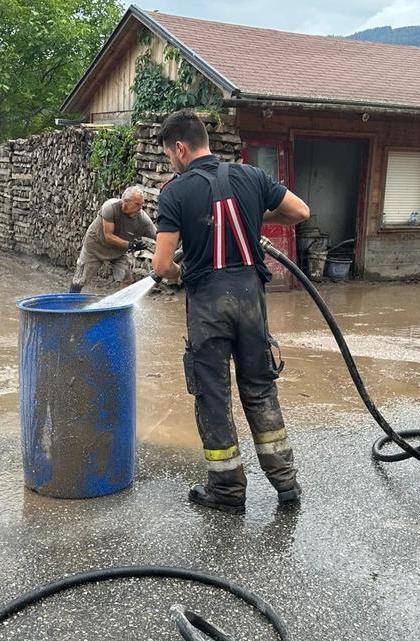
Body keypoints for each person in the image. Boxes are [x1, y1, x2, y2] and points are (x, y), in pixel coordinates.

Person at [151, 109, 311, 514]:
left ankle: (227, 493)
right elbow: (300, 212)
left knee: (214, 397)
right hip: (251, 299)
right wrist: (256, 213)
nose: (172, 161)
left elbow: (161, 265)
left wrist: (176, 273)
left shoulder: (175, 192)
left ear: (181, 148)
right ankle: (286, 485)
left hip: (208, 304)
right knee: (259, 390)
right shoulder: (251, 176)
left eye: (171, 154)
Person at [69, 186, 156, 293]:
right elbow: (108, 236)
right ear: (126, 202)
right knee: (80, 280)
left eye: (142, 204)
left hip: (118, 251)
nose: (140, 208)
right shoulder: (110, 207)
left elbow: (159, 236)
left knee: (126, 278)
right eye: (138, 204)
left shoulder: (143, 220)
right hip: (95, 246)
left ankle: (124, 305)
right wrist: (131, 245)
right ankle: (71, 304)